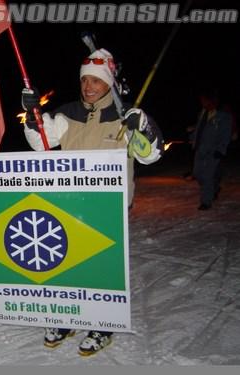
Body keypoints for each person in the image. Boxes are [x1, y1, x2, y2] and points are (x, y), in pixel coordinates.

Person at [21, 48, 163, 355]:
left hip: (109, 205)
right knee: (68, 264)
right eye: (85, 80)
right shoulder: (68, 112)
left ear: (108, 83)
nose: (88, 86)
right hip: (71, 201)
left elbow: (150, 155)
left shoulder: (126, 117)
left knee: (102, 267)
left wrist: (145, 127)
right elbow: (41, 145)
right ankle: (69, 317)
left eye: (96, 81)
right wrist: (32, 117)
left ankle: (103, 325)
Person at [189, 89, 232, 210]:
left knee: (207, 175)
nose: (203, 103)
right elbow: (199, 128)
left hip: (213, 151)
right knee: (197, 173)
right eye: (202, 101)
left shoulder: (223, 116)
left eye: (205, 101)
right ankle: (213, 187)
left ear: (212, 101)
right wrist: (193, 137)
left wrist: (221, 149)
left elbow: (226, 134)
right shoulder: (203, 112)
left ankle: (206, 201)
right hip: (199, 148)